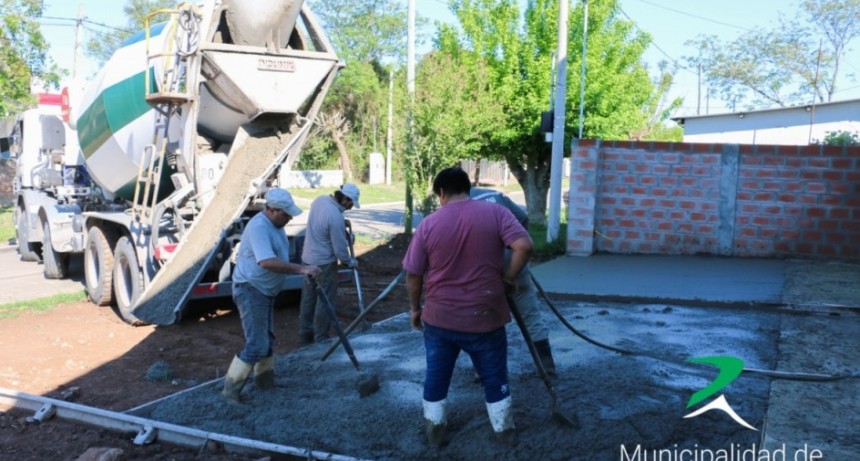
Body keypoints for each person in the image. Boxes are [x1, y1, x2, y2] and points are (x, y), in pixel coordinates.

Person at [403, 167, 533, 447]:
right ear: (468, 189)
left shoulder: (428, 224)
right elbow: (524, 245)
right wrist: (508, 279)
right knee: (494, 376)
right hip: (485, 315)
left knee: (437, 375)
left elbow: (413, 274)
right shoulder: (495, 213)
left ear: (441, 193)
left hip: (440, 318)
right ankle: (504, 433)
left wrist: (415, 308)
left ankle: (435, 433)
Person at [222, 188, 322, 403]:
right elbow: (266, 261)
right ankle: (230, 393)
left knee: (266, 341)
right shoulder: (259, 227)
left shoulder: (275, 225)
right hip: (251, 289)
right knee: (256, 344)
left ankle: (265, 384)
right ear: (272, 210)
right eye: (286, 214)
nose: (290, 218)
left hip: (263, 290)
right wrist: (302, 269)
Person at [470, 187, 557, 377]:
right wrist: (514, 246)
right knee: (531, 316)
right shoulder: (496, 195)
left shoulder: (458, 205)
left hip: (485, 269)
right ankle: (547, 366)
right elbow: (522, 218)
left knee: (485, 319)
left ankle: (483, 370)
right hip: (516, 261)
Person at [298, 183, 361, 344]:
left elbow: (322, 223)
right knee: (325, 300)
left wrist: (341, 225)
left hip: (307, 259)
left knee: (308, 298)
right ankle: (321, 337)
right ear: (344, 199)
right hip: (324, 264)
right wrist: (350, 262)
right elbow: (340, 250)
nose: (350, 207)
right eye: (350, 203)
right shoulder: (335, 217)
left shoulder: (320, 200)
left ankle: (305, 334)